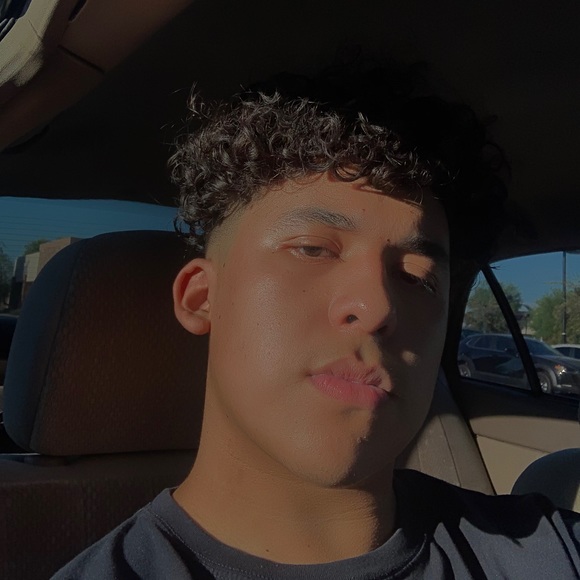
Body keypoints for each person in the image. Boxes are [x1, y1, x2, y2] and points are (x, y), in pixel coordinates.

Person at [54, 68, 580, 579]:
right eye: (312, 249)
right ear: (202, 298)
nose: (377, 307)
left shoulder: (547, 549)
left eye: (416, 277)